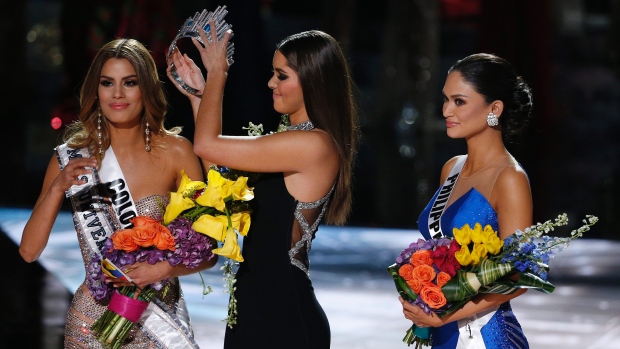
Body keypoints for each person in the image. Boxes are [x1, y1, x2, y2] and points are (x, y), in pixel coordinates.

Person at [167, 22, 359, 348]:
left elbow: (206, 146)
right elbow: (223, 185)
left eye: (282, 75)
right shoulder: (290, 143)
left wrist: (218, 73)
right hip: (254, 306)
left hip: (284, 314)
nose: (271, 83)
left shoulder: (313, 146)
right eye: (273, 73)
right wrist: (201, 97)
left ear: (314, 79)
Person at [19, 38, 216, 348]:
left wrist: (161, 269)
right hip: (91, 326)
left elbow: (208, 250)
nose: (118, 94)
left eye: (130, 82)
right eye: (107, 83)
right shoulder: (71, 157)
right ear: (97, 91)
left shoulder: (177, 153)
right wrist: (58, 187)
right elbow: (28, 252)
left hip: (158, 323)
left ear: (147, 89)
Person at [400, 53, 534, 348]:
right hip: (441, 330)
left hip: (485, 336)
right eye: (446, 99)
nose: (446, 109)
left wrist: (445, 316)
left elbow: (518, 277)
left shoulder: (510, 179)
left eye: (459, 101)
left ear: (494, 109)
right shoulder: (452, 167)